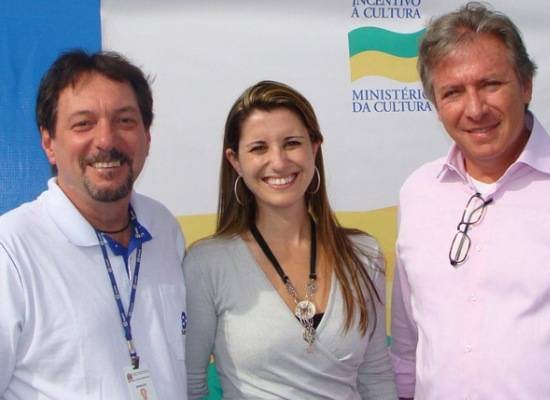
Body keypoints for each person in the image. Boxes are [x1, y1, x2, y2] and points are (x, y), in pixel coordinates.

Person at [391, 2, 550, 399]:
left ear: (526, 85)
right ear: (435, 105)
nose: (475, 109)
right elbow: (409, 336)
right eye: (453, 92)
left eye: (491, 84)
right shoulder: (418, 192)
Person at [184, 81, 397, 399]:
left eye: (291, 143)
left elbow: (376, 376)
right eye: (259, 148)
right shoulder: (207, 263)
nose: (279, 161)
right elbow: (190, 383)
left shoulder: (363, 254)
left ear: (314, 148)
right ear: (235, 161)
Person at [0, 50, 187, 399]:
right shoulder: (10, 251)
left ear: (147, 136)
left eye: (125, 121)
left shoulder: (164, 228)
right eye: (83, 123)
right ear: (48, 143)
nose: (106, 140)